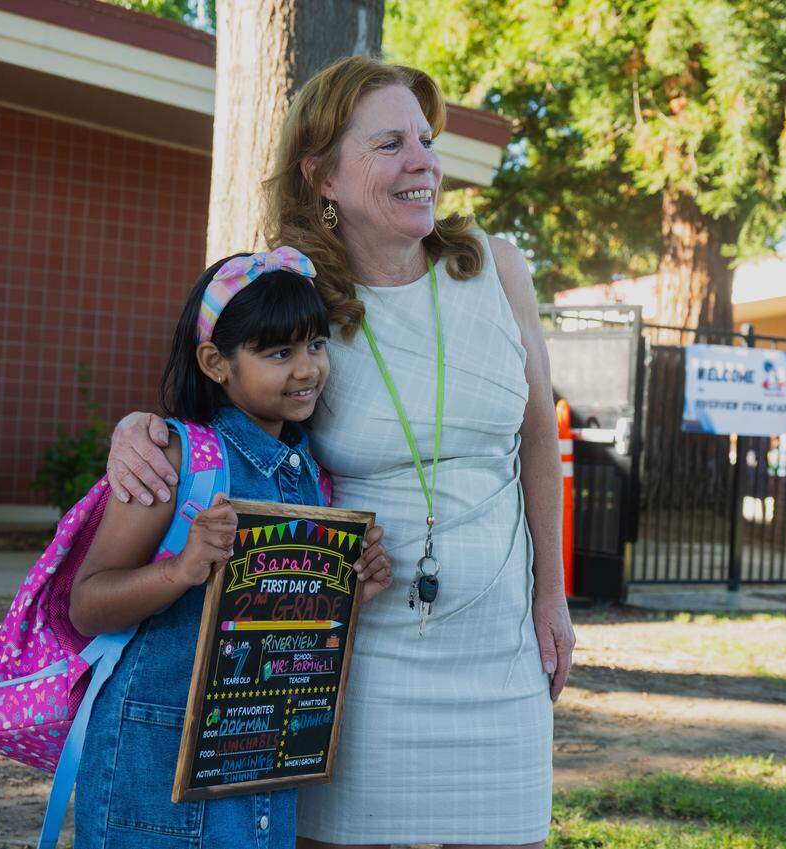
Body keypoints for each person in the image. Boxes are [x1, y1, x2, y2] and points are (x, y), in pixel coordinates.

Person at [107, 56, 576, 848]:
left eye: (426, 139)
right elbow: (218, 408)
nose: (423, 160)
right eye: (389, 143)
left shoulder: (496, 268)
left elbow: (537, 433)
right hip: (354, 657)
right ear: (321, 174)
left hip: (500, 653)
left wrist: (551, 598)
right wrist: (137, 427)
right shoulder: (297, 298)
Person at [68, 248, 393, 848]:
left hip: (259, 763)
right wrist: (182, 570)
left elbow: (279, 630)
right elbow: (87, 604)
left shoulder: (313, 481)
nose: (307, 369)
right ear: (217, 362)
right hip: (152, 769)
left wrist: (350, 593)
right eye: (278, 353)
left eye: (316, 345)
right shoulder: (175, 459)